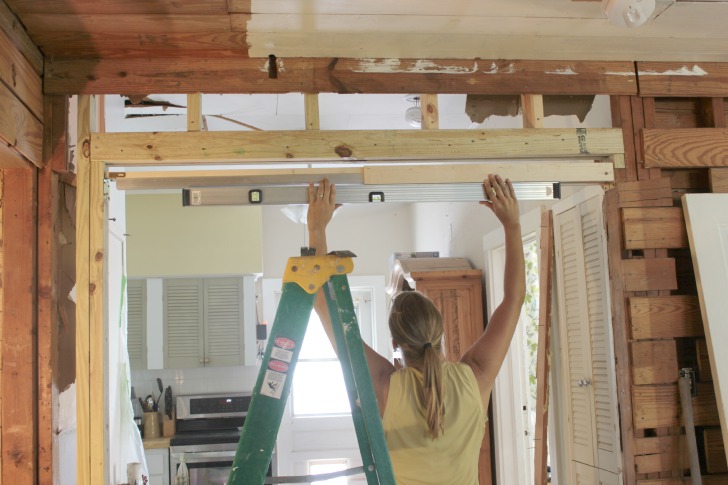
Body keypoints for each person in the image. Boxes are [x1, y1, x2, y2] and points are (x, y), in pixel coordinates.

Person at [307, 175, 525, 485]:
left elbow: (322, 304)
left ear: (395, 342)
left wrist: (317, 228)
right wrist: (512, 225)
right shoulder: (474, 378)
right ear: (440, 330)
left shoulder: (386, 387)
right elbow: (514, 300)